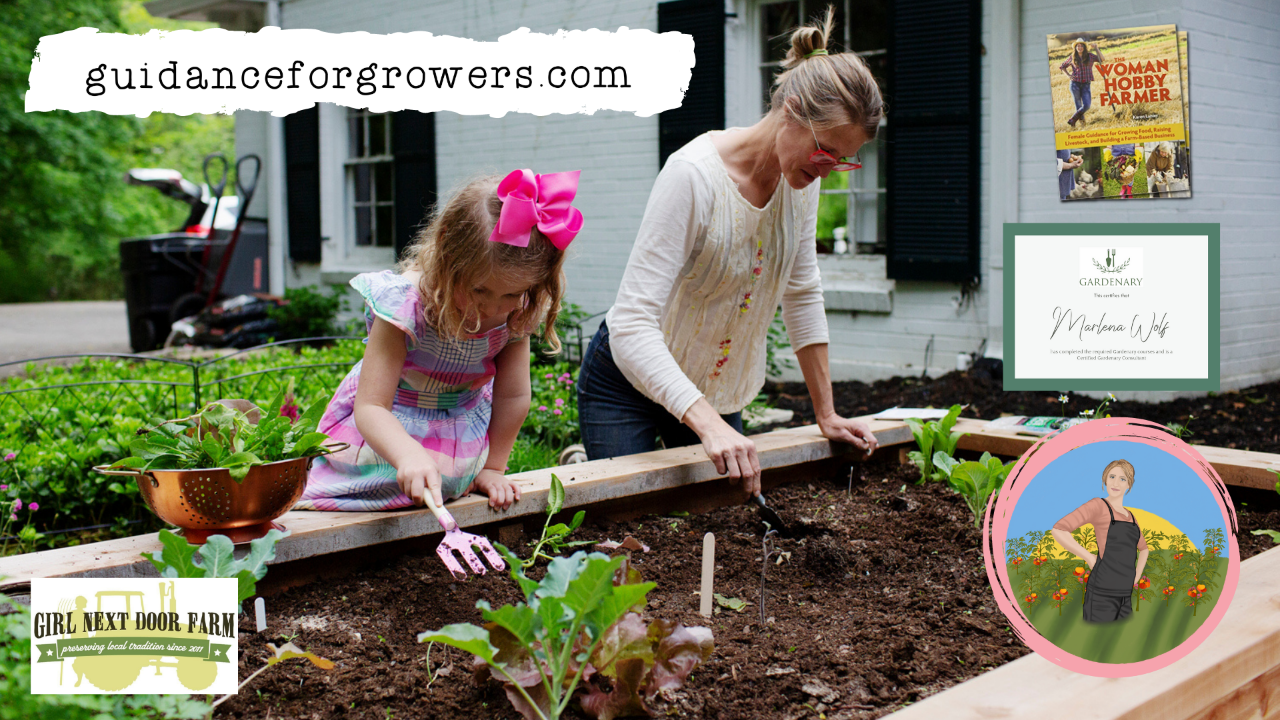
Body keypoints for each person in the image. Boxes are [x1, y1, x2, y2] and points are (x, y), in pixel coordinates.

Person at [577, 7, 880, 496]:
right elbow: (632, 323)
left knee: (722, 520)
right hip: (626, 384)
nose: (828, 170)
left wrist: (826, 413)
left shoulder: (803, 182)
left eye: (843, 161)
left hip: (716, 391)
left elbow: (802, 292)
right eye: (826, 151)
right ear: (791, 110)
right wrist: (709, 426)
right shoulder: (693, 176)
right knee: (631, 519)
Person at [296, 169, 582, 513]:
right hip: (385, 430)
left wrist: (493, 468)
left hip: (457, 432)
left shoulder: (516, 312)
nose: (493, 308)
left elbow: (513, 396)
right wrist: (407, 454)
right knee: (357, 499)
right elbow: (371, 407)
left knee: (433, 495)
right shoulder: (406, 304)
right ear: (447, 250)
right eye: (479, 290)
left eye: (512, 293)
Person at [1051, 460, 1150, 623]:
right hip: (1102, 592)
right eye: (1112, 477)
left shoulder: (1131, 517)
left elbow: (1144, 549)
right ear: (1105, 479)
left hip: (1125, 594)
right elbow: (1059, 529)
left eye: (1122, 479)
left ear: (1129, 484)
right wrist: (1089, 557)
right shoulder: (1098, 505)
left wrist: (1136, 576)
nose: (1115, 483)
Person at [1060, 38, 1105, 127]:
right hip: (1075, 84)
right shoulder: (1072, 57)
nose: (1079, 47)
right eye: (1078, 46)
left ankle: (1073, 119)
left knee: (1087, 105)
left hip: (1086, 84)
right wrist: (1068, 75)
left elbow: (1102, 59)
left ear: (1084, 47)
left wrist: (1096, 48)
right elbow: (1062, 66)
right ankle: (1082, 125)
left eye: (1081, 46)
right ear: (1075, 48)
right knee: (1078, 105)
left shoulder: (1090, 56)